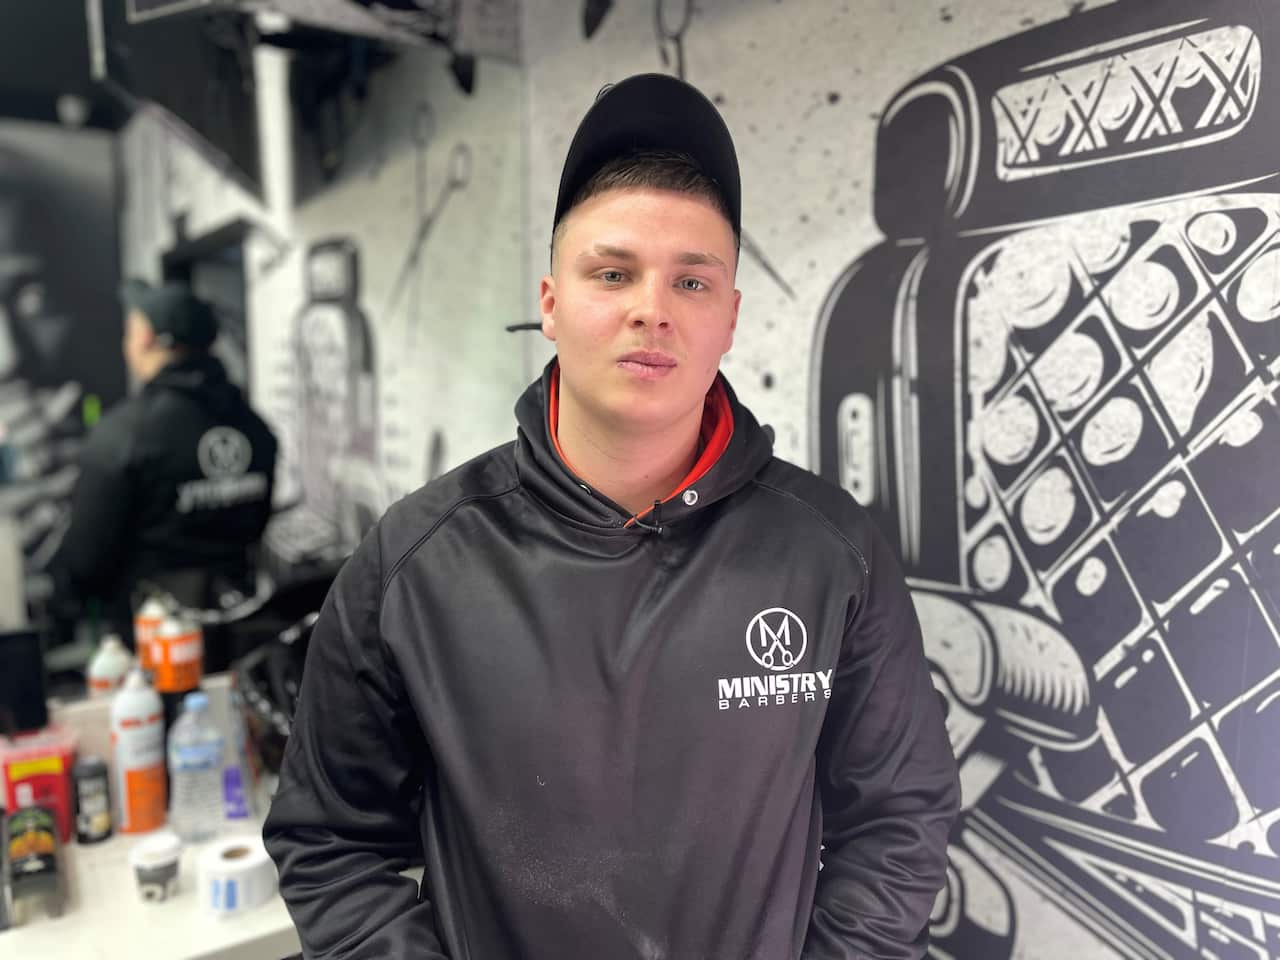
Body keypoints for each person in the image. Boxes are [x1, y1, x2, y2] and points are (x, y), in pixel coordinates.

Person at [264, 73, 959, 959]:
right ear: (551, 303)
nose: (651, 309)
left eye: (692, 282)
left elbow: (902, 813)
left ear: (731, 319)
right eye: (613, 272)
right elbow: (331, 841)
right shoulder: (416, 564)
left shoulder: (830, 552)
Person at [50, 281, 277, 639]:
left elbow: (85, 561)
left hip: (153, 639)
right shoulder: (254, 425)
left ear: (144, 338)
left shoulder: (124, 434)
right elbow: (258, 521)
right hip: (240, 626)